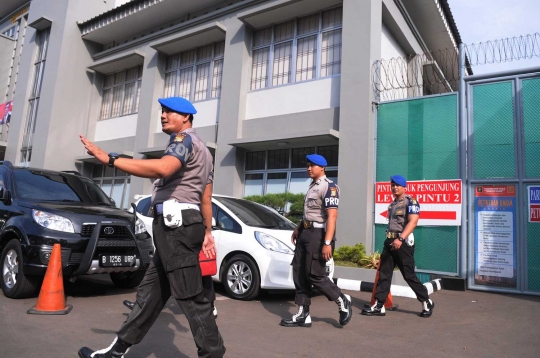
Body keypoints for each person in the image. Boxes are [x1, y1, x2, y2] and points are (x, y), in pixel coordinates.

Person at [78, 97, 225, 358]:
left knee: (190, 297)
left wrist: (110, 159)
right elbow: (204, 196)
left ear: (186, 118)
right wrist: (207, 233)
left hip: (176, 228)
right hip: (181, 226)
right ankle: (116, 352)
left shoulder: (184, 141)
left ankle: (213, 353)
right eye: (162, 111)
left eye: (170, 112)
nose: (163, 115)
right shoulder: (205, 151)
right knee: (150, 295)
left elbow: (162, 168)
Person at [280, 154, 352, 328]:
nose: (308, 168)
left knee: (316, 275)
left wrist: (327, 243)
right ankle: (303, 314)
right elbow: (309, 213)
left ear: (322, 168)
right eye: (308, 165)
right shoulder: (312, 186)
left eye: (312, 165)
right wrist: (298, 228)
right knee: (299, 273)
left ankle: (341, 300)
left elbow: (332, 216)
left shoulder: (329, 187)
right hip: (305, 232)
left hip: (318, 235)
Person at [361, 175, 434, 318]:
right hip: (390, 241)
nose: (394, 187)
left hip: (403, 243)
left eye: (397, 185)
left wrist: (400, 239)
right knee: (384, 274)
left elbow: (413, 222)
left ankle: (426, 301)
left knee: (409, 276)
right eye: (392, 185)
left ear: (404, 187)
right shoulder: (393, 204)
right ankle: (379, 305)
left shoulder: (411, 202)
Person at [123, 276, 218, 318]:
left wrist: (207, 234)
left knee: (202, 271)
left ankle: (210, 306)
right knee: (157, 271)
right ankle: (141, 303)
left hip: (190, 242)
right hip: (170, 241)